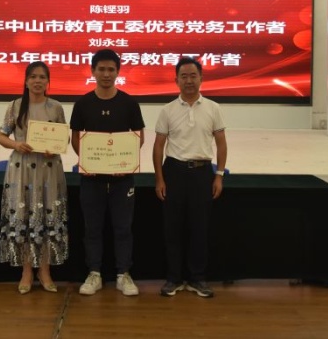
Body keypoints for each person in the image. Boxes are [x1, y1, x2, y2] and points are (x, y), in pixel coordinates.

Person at [70, 49, 145, 296]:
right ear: (92, 71)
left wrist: (123, 163)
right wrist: (88, 162)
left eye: (111, 69)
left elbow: (139, 137)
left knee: (123, 228)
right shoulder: (83, 104)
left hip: (123, 180)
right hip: (91, 179)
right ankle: (94, 273)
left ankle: (124, 274)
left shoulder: (129, 103)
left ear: (118, 72)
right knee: (92, 228)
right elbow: (75, 137)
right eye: (101, 69)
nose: (106, 74)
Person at [152, 56, 228, 298]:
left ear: (201, 78)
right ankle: (173, 279)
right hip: (174, 172)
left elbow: (221, 143)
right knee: (172, 229)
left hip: (202, 174)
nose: (188, 81)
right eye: (183, 76)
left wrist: (218, 176)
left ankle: (198, 279)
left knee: (199, 229)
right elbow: (158, 146)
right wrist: (159, 179)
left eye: (193, 76)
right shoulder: (167, 110)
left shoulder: (213, 108)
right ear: (176, 80)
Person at [0, 61, 68, 294]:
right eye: (33, 77)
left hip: (49, 169)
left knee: (46, 216)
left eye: (42, 77)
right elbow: (1, 136)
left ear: (48, 82)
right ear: (26, 81)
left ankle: (45, 270)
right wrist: (16, 144)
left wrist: (54, 148)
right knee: (26, 216)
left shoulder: (56, 107)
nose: (38, 81)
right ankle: (26, 271)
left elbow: (64, 138)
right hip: (22, 169)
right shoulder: (16, 106)